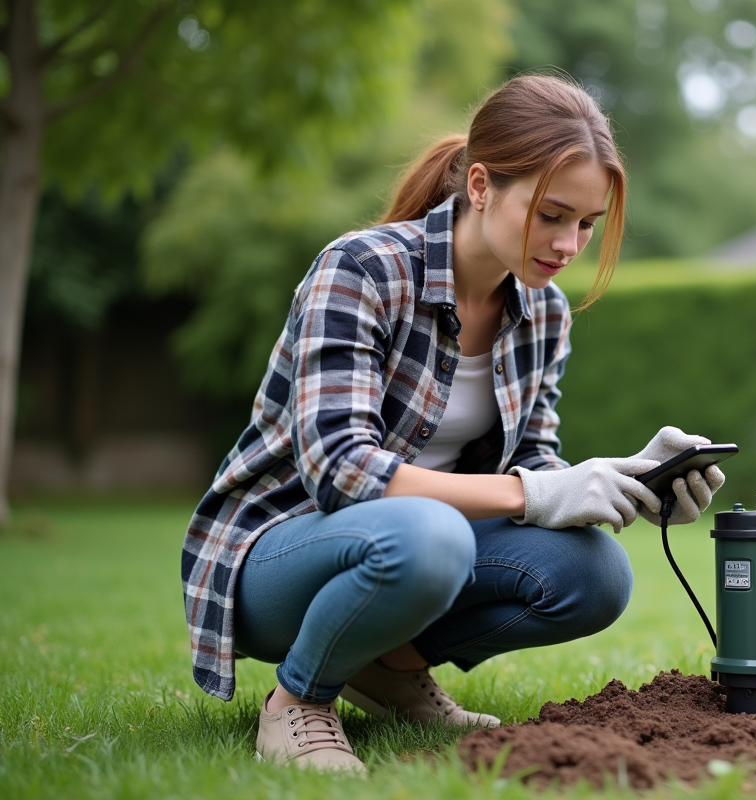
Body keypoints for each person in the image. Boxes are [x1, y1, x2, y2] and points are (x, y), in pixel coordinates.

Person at [180, 74, 725, 774]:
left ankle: (386, 670)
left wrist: (627, 482)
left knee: (596, 573)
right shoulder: (361, 270)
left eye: (587, 224)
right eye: (552, 214)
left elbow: (531, 459)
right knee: (429, 533)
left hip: (416, 549)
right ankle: (298, 702)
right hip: (274, 556)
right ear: (479, 186)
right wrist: (534, 494)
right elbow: (340, 472)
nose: (568, 243)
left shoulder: (544, 313)